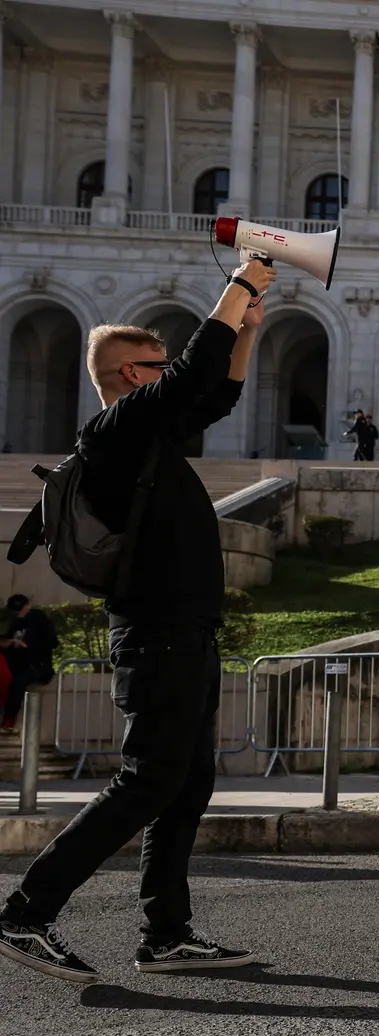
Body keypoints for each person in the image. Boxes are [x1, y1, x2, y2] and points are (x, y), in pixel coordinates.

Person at [0, 256, 278, 984]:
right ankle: (26, 913)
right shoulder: (114, 432)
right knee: (148, 780)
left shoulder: (147, 438)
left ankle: (166, 933)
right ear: (131, 376)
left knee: (186, 783)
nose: (168, 369)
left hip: (185, 629)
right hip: (156, 632)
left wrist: (246, 327)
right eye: (156, 362)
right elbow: (194, 376)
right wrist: (240, 284)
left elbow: (214, 395)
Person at [1, 594, 58, 732]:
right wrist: (9, 643)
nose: (18, 613)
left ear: (28, 606)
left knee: (18, 681)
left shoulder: (39, 620)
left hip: (37, 665)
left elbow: (53, 642)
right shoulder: (16, 623)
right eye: (15, 611)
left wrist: (28, 646)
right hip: (18, 662)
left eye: (21, 610)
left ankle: (9, 719)